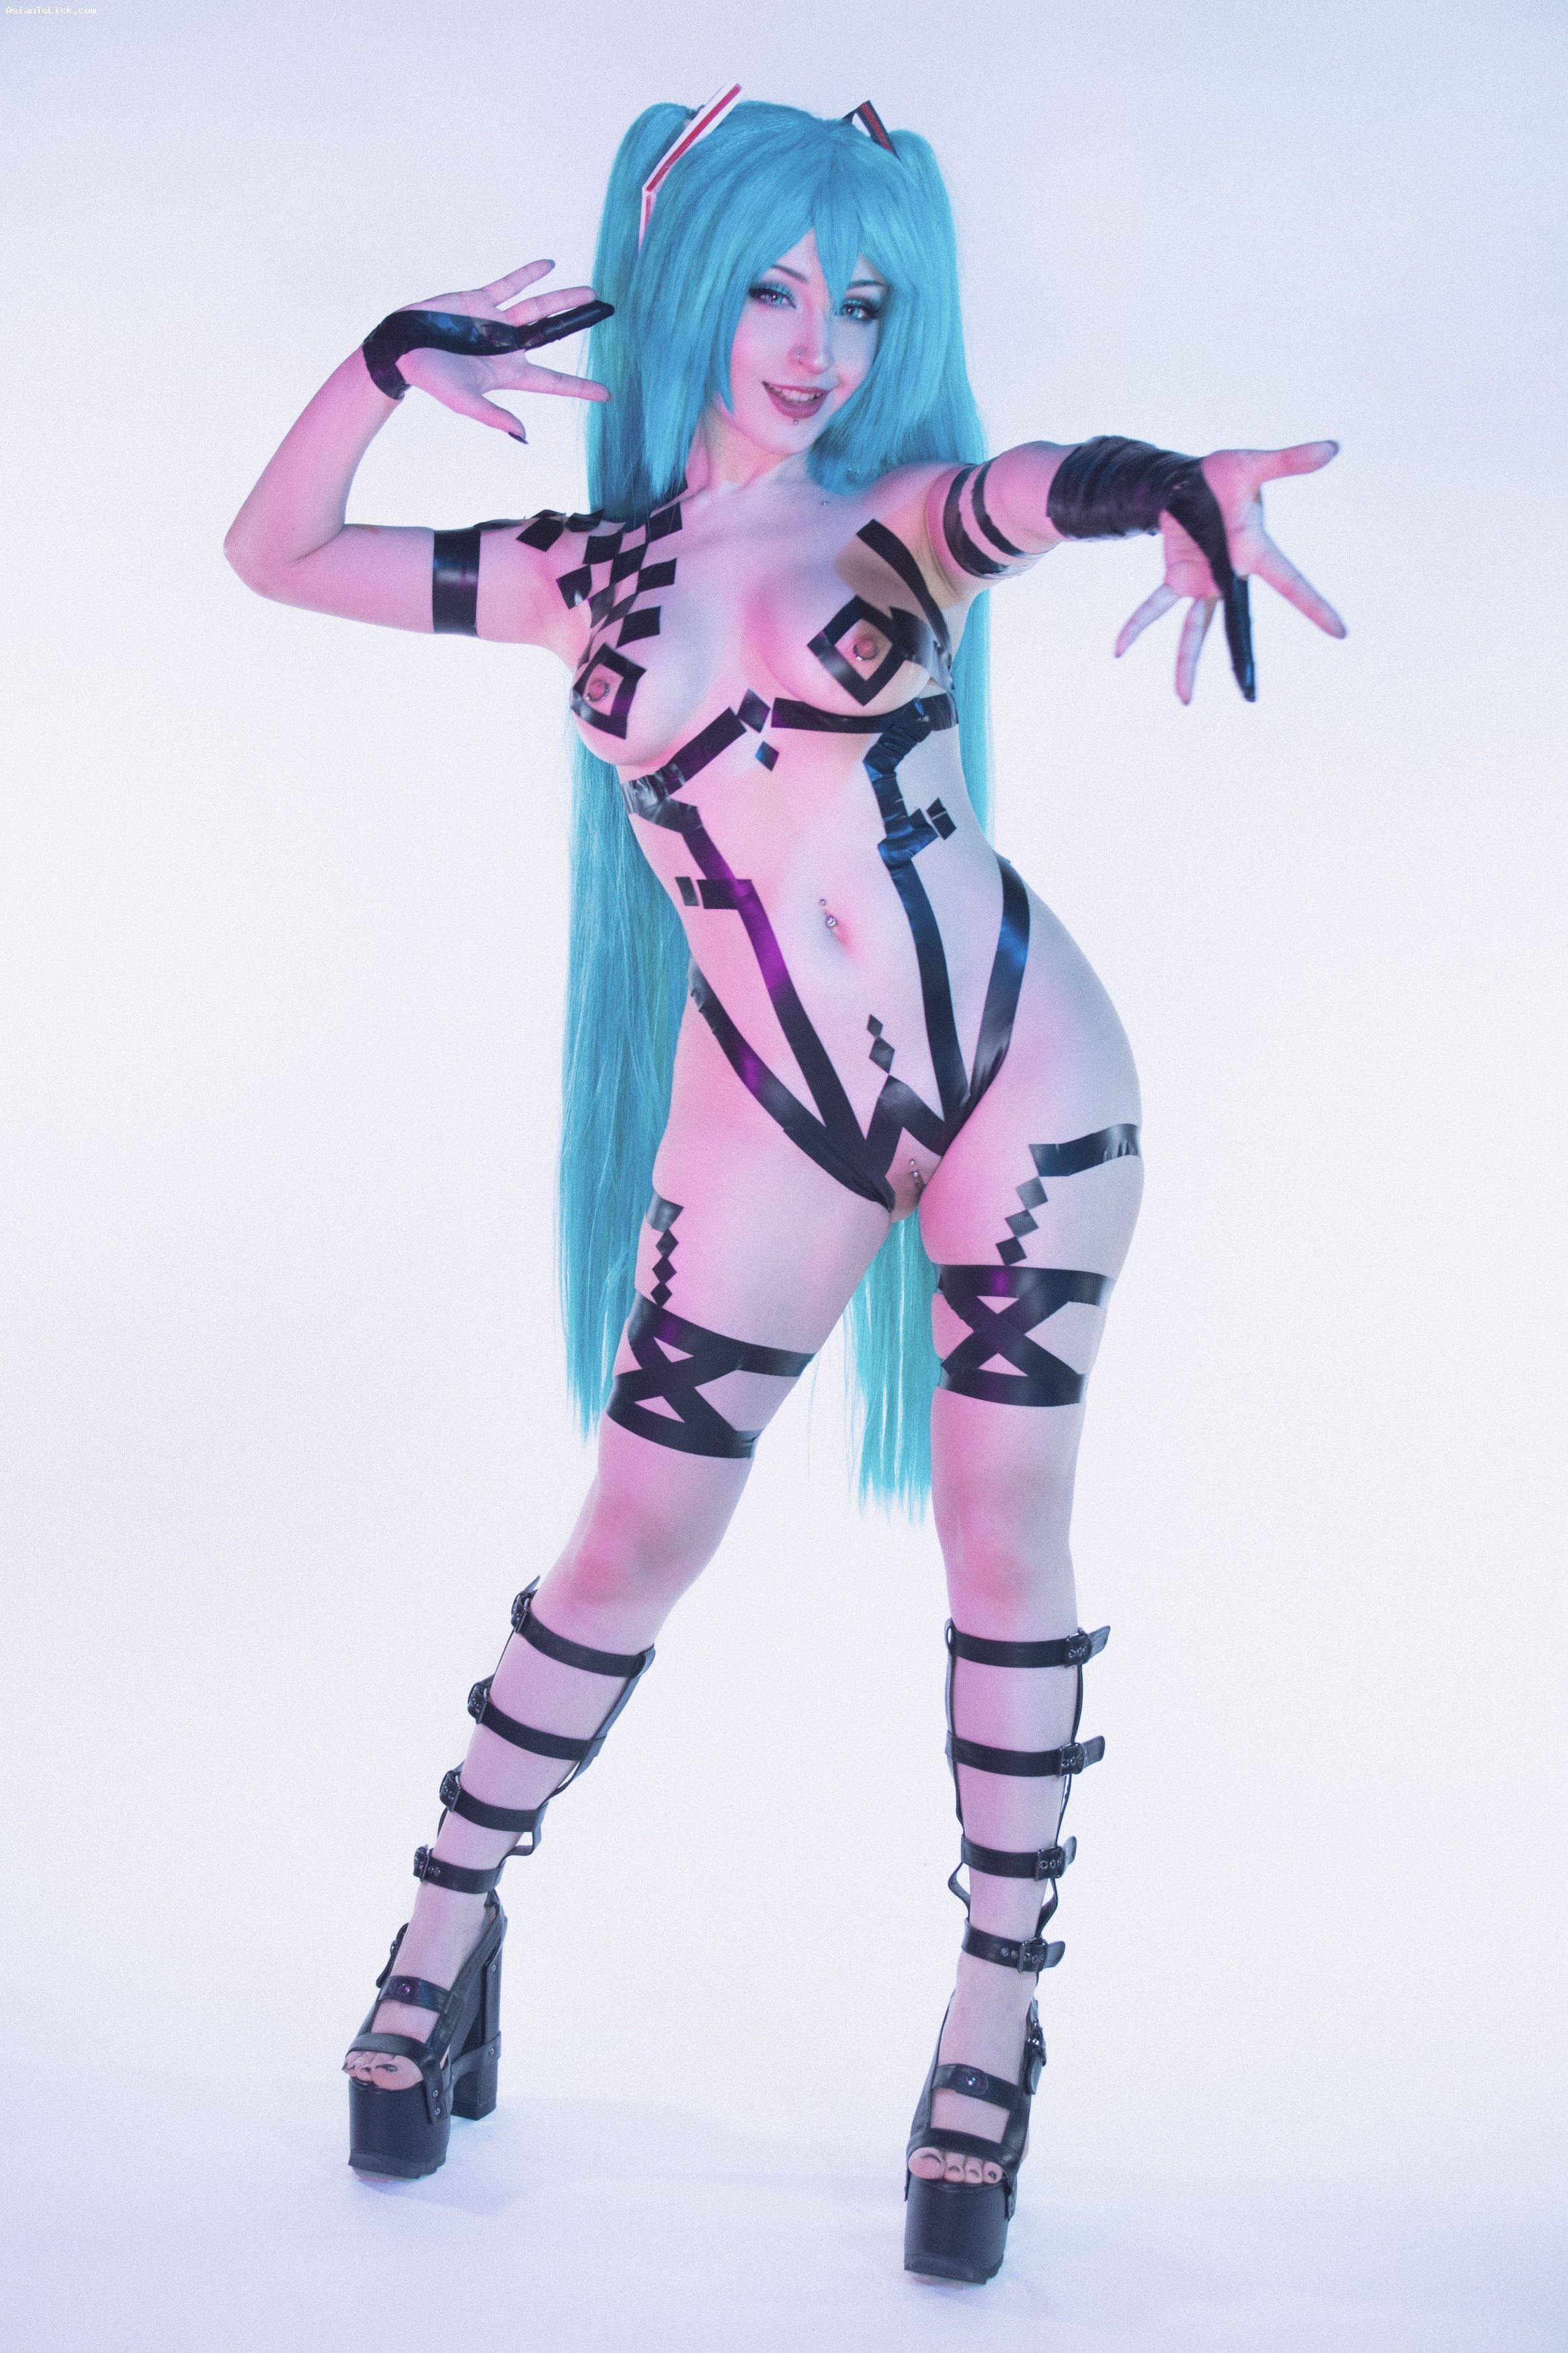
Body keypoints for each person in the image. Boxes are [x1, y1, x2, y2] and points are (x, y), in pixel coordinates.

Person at [224, 93, 1343, 2285]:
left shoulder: (898, 526)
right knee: (632, 1539)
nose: (818, 342)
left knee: (1003, 1529)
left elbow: (1044, 488)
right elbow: (278, 553)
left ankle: (992, 2019)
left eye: (861, 298)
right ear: (687, 288)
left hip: (1023, 1064)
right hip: (770, 1104)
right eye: (769, 286)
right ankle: (444, 1923)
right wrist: (381, 363)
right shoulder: (584, 575)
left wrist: (1174, 491)